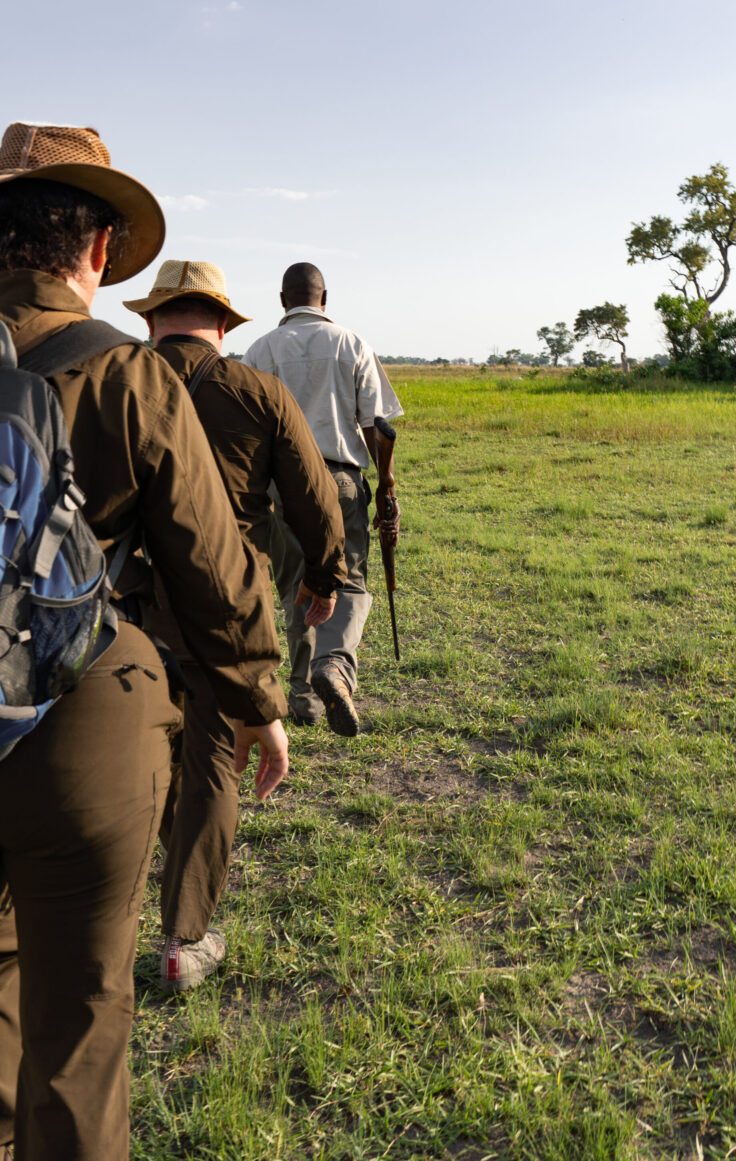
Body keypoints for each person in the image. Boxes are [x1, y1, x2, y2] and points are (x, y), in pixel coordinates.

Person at [0, 123, 289, 1161]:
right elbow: (214, 568)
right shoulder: (130, 377)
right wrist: (257, 701)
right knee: (78, 1023)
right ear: (101, 248)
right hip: (82, 714)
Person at [123, 259, 346, 989]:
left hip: (122, 606)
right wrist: (322, 578)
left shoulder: (113, 379)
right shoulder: (257, 390)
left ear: (152, 319)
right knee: (216, 754)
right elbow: (315, 499)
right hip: (224, 602)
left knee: (138, 751)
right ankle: (184, 938)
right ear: (223, 325)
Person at [243, 262, 403, 736]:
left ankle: (304, 698)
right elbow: (378, 426)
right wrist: (388, 485)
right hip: (340, 478)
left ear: (282, 300)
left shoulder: (259, 349)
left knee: (298, 585)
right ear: (324, 298)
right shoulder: (351, 344)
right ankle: (334, 665)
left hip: (282, 484)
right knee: (348, 580)